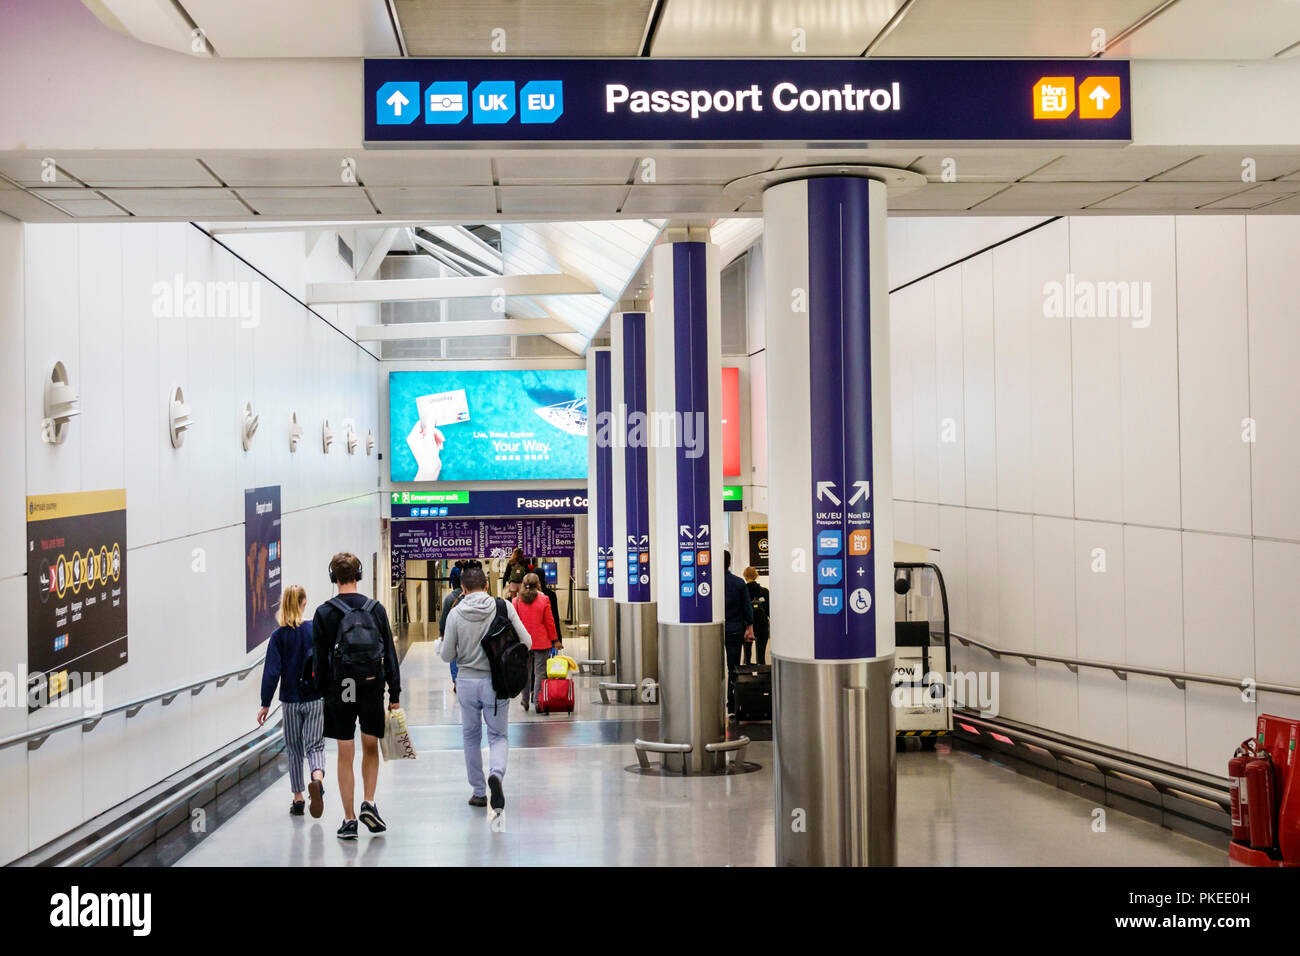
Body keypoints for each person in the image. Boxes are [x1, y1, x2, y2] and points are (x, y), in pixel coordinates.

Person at [312, 552, 402, 840]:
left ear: (333, 577)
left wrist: (323, 693)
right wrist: (395, 693)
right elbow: (389, 652)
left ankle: (349, 819)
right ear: (359, 575)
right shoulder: (375, 609)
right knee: (371, 744)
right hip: (372, 683)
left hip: (342, 686)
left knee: (345, 752)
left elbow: (319, 661)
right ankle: (370, 802)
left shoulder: (324, 612)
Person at [437, 565, 532, 812]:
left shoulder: (455, 614)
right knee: (498, 735)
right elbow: (527, 642)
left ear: (463, 588)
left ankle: (479, 792)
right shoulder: (503, 607)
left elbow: (447, 655)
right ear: (487, 586)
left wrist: (444, 647)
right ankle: (496, 776)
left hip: (467, 683)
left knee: (470, 736)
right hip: (496, 682)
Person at [258, 585, 326, 819]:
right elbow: (325, 662)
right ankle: (317, 779)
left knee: (295, 749)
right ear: (304, 601)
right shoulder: (314, 631)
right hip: (314, 697)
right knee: (315, 744)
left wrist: (265, 703)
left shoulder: (278, 636)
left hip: (290, 699)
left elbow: (271, 672)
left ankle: (298, 798)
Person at [513, 572, 559, 711]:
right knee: (540, 673)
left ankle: (525, 701)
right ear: (538, 583)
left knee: (525, 673)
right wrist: (555, 639)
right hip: (541, 641)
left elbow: (513, 623)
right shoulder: (544, 599)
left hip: (523, 643)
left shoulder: (516, 601)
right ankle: (538, 702)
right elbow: (549, 622)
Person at [722, 551, 754, 718]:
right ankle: (731, 705)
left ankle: (708, 700)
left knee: (708, 668)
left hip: (712, 633)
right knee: (733, 668)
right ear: (729, 563)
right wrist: (750, 627)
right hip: (734, 630)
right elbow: (747, 608)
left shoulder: (711, 583)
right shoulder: (738, 583)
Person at [439, 564, 464, 692]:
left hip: (452, 632)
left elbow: (443, 616)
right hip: (466, 631)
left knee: (453, 655)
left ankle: (456, 679)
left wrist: (442, 632)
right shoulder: (467, 596)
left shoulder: (449, 598)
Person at [741, 567, 770, 666]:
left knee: (747, 656)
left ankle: (747, 678)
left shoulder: (742, 591)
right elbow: (769, 611)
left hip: (747, 627)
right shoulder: (765, 591)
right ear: (756, 576)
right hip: (762, 626)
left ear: (744, 576)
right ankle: (761, 679)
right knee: (761, 657)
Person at [538, 571, 564, 650]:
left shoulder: (523, 598)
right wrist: (557, 638)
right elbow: (554, 617)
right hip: (547, 638)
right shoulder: (550, 595)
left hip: (531, 639)